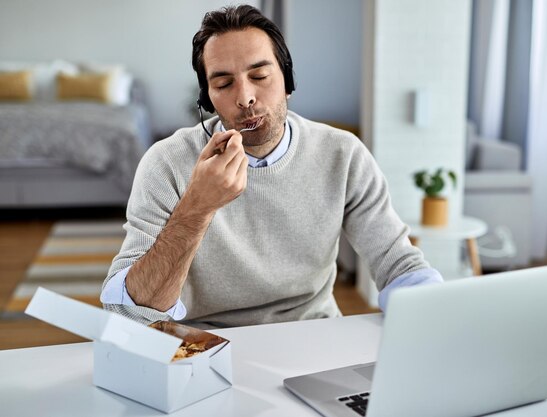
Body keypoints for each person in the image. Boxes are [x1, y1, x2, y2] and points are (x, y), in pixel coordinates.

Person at [101, 4, 442, 328]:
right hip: (204, 347)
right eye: (223, 84)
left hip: (314, 338)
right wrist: (198, 206)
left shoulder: (343, 154)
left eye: (260, 75)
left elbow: (398, 262)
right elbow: (130, 313)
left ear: (287, 81)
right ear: (208, 98)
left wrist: (439, 315)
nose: (245, 97)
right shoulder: (166, 163)